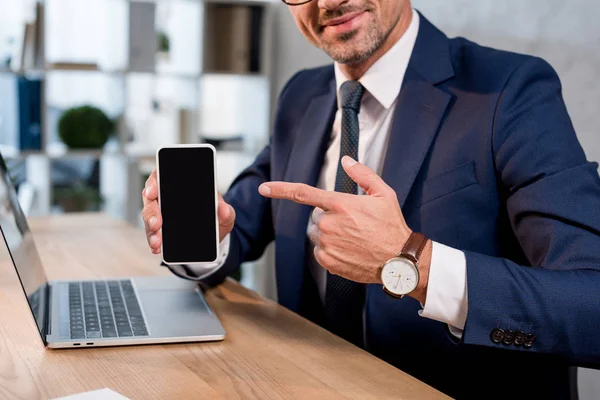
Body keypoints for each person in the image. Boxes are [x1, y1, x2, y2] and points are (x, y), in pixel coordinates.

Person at [141, 0, 600, 398]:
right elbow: (239, 226)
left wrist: (409, 264)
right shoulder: (300, 95)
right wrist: (203, 233)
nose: (328, 2)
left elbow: (590, 305)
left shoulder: (509, 89)